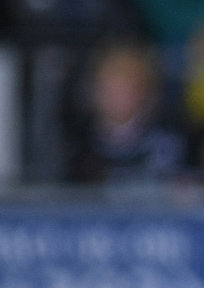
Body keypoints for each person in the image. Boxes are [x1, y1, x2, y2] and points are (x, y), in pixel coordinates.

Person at [71, 43, 192, 185]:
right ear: (93, 88)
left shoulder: (175, 143)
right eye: (114, 81)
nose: (122, 92)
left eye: (132, 81)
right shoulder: (74, 146)